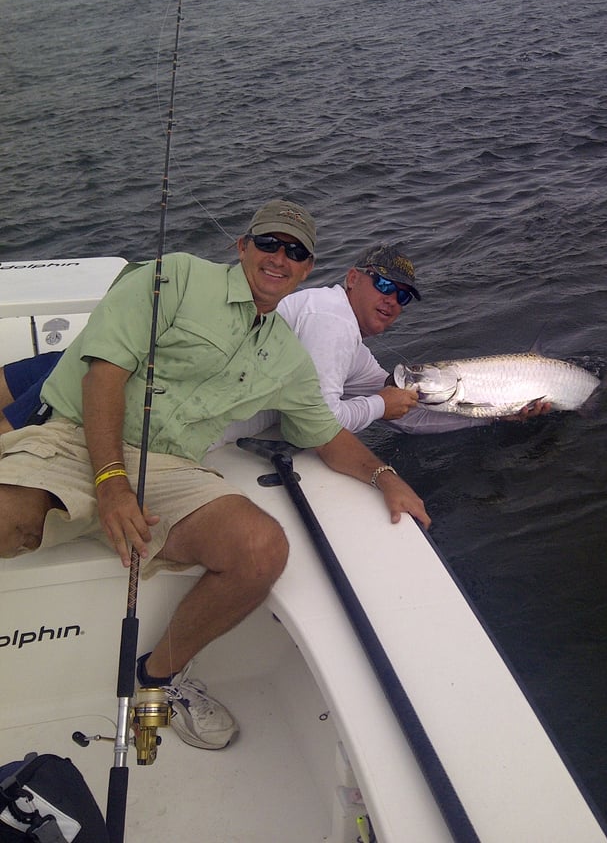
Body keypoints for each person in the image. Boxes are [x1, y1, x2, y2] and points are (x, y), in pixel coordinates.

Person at [0, 199, 430, 752]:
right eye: (270, 243)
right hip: (77, 435)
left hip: (173, 469)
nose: (280, 258)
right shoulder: (175, 276)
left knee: (261, 550)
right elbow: (104, 369)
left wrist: (384, 475)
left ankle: (157, 677)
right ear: (242, 246)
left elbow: (326, 434)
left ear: (306, 269)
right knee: (9, 517)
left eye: (295, 252)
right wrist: (110, 482)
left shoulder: (287, 356)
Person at [220, 242, 548, 445]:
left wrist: (494, 414)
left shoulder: (351, 345)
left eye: (402, 295)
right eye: (382, 283)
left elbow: (406, 415)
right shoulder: (330, 318)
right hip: (213, 434)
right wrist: (379, 405)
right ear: (352, 278)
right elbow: (314, 425)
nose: (391, 299)